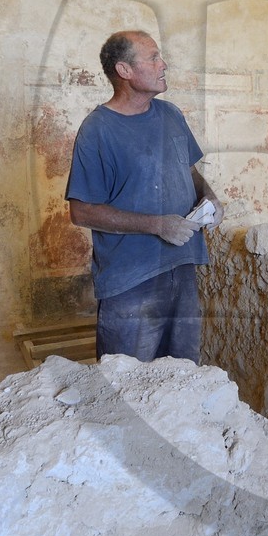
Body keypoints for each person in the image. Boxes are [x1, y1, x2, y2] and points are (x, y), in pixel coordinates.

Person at [66, 30, 222, 362]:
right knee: (128, 379)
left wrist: (210, 197)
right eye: (152, 58)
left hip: (182, 269)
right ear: (124, 70)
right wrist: (157, 225)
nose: (163, 64)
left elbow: (190, 171)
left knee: (183, 373)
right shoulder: (98, 130)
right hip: (131, 280)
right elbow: (81, 212)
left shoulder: (171, 115)